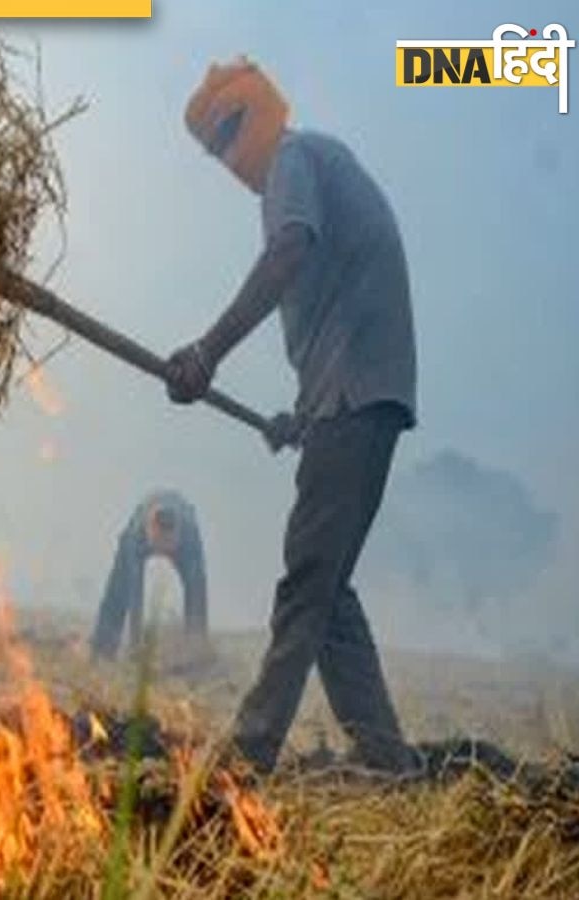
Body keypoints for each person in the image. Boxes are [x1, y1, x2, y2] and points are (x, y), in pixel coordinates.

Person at [165, 59, 419, 775]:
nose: (226, 156)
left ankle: (248, 753)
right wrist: (299, 419)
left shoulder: (294, 160)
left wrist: (208, 351)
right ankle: (387, 760)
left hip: (357, 396)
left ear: (259, 112)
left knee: (307, 580)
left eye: (228, 134)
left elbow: (290, 249)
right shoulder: (312, 162)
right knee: (328, 586)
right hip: (355, 400)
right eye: (214, 148)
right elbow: (339, 305)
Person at [89, 489, 210, 664]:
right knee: (118, 589)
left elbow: (197, 593)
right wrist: (135, 645)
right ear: (149, 530)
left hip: (184, 529)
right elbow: (134, 595)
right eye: (158, 542)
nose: (161, 549)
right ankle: (102, 649)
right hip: (139, 530)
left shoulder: (190, 537)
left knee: (196, 593)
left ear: (177, 535)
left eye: (167, 543)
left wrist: (197, 644)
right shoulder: (134, 535)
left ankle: (196, 656)